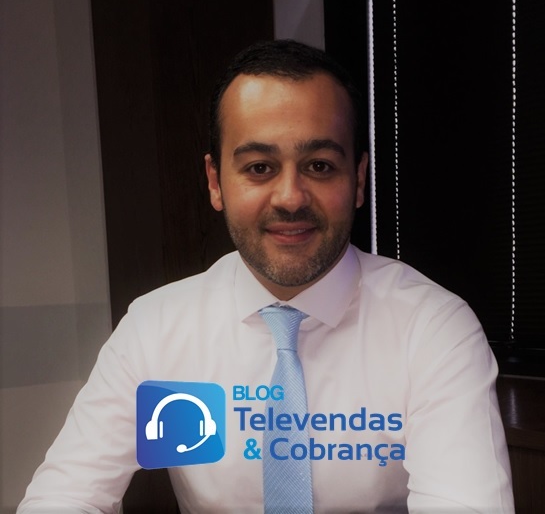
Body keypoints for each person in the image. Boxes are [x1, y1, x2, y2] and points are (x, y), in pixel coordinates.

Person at [18, 39, 514, 513]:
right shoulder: (154, 328)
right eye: (259, 168)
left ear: (359, 179)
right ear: (215, 182)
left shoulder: (433, 329)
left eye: (320, 165)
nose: (290, 197)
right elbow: (66, 495)